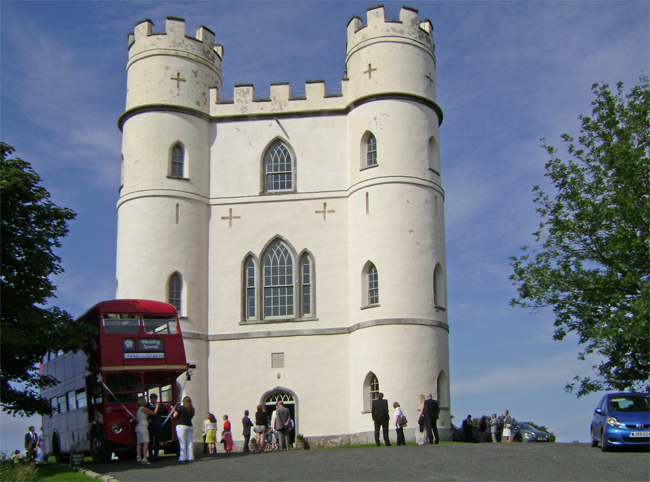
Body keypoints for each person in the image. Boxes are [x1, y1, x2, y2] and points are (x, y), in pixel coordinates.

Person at [136, 396, 160, 464]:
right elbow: (154, 413)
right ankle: (145, 458)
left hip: (138, 426)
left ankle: (139, 457)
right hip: (143, 426)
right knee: (146, 442)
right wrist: (157, 406)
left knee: (139, 443)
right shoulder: (144, 409)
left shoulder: (138, 409)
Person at [173, 396, 195, 462]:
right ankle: (190, 457)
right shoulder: (192, 409)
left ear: (184, 402)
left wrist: (174, 410)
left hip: (181, 426)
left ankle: (183, 457)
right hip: (189, 426)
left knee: (182, 442)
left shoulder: (181, 408)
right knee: (190, 442)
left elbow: (175, 415)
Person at [146, 393, 167, 461]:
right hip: (151, 425)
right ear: (151, 399)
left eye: (156, 399)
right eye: (154, 399)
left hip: (158, 425)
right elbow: (151, 412)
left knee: (157, 441)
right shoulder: (148, 406)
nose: (155, 400)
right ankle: (150, 456)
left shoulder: (158, 406)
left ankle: (156, 456)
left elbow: (162, 411)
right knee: (151, 441)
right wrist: (156, 407)